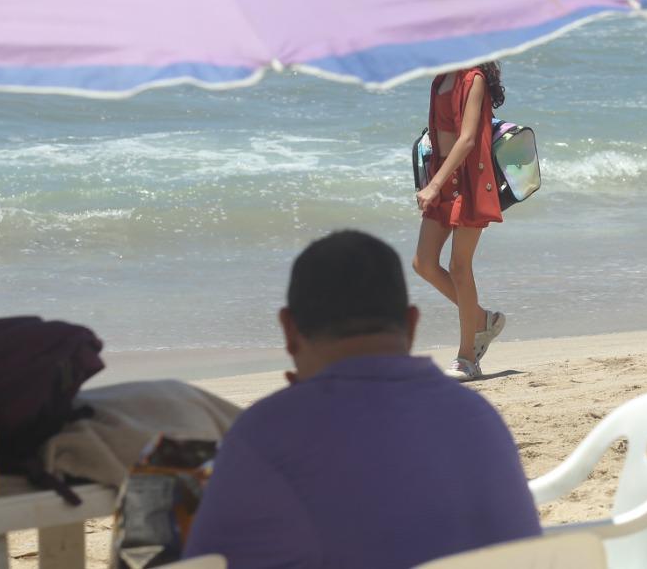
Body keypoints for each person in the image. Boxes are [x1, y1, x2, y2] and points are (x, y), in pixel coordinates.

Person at [184, 230, 541, 569]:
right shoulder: (476, 416)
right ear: (411, 324)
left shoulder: (266, 433)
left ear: (289, 331)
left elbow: (204, 560)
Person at [411, 62, 508, 382]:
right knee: (423, 263)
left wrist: (435, 184)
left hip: (468, 181)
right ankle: (481, 318)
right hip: (443, 178)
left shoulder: (473, 79)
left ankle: (468, 358)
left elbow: (467, 140)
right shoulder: (440, 79)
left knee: (459, 267)